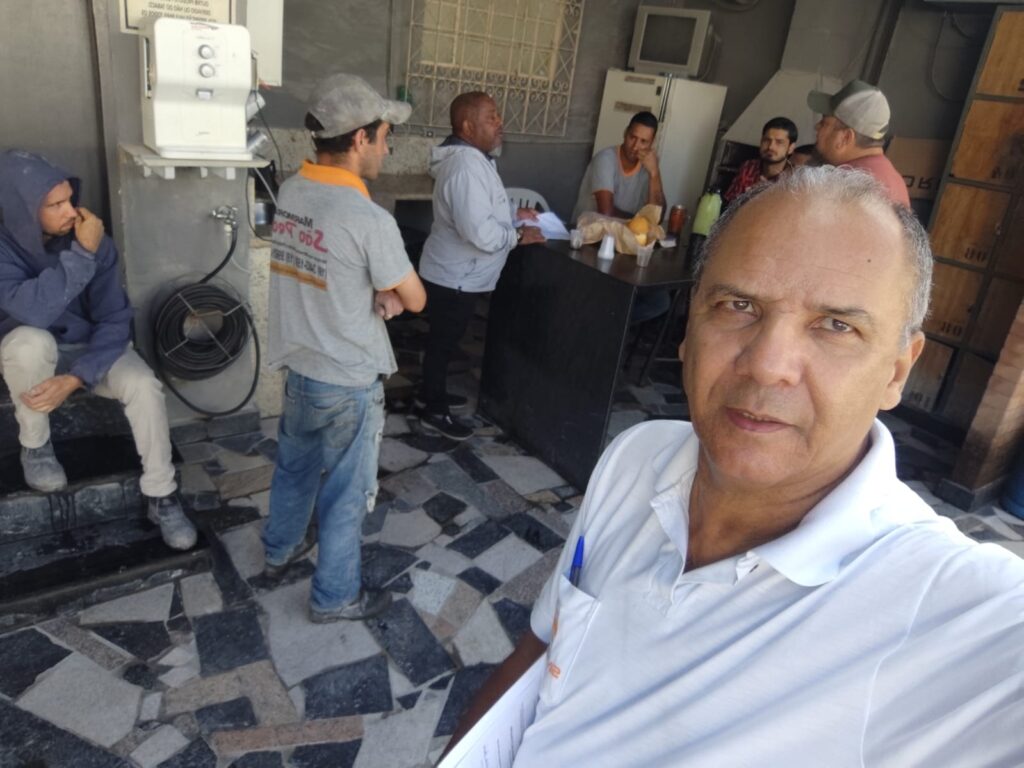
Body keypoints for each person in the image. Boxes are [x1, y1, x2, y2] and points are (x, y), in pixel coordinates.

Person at [446, 167, 1024, 766]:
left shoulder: (949, 606)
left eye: (837, 326)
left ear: (897, 371)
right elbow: (543, 647)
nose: (767, 364)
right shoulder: (637, 457)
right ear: (688, 329)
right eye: (738, 305)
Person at [262, 74, 426, 623]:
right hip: (349, 382)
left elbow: (326, 271)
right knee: (345, 496)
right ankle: (334, 597)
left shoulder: (292, 191)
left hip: (301, 372)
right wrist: (387, 292)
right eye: (384, 136)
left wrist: (371, 289)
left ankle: (278, 549)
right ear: (360, 138)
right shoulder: (368, 219)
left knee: (294, 469)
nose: (387, 148)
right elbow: (416, 298)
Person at [0, 151, 196, 551]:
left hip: (90, 350)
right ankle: (35, 447)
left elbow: (114, 319)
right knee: (30, 343)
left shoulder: (92, 240)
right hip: (34, 352)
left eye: (70, 199)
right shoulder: (7, 249)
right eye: (55, 205)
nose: (71, 212)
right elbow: (33, 310)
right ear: (23, 210)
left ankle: (162, 493)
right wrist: (81, 256)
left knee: (144, 385)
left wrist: (78, 376)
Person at [416, 91, 544, 441]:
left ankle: (431, 394)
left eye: (497, 115)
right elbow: (479, 232)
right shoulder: (465, 168)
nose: (500, 123)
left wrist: (513, 214)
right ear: (467, 126)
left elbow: (482, 210)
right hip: (455, 275)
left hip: (459, 273)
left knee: (444, 340)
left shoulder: (476, 161)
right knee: (443, 343)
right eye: (491, 117)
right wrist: (518, 236)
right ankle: (433, 411)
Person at [810, 79, 910, 206]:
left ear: (845, 138)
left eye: (824, 123)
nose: (817, 127)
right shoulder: (895, 180)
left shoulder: (843, 184)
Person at [572, 111, 666, 223]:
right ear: (625, 133)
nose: (635, 147)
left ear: (651, 143)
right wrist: (642, 222)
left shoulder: (649, 167)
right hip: (587, 230)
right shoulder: (605, 159)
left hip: (624, 232)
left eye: (643, 141)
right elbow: (606, 213)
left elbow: (657, 218)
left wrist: (654, 173)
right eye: (632, 137)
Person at [723, 116, 798, 204]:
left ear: (791, 148)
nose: (771, 147)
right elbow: (730, 203)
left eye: (779, 142)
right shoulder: (749, 167)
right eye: (766, 140)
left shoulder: (794, 178)